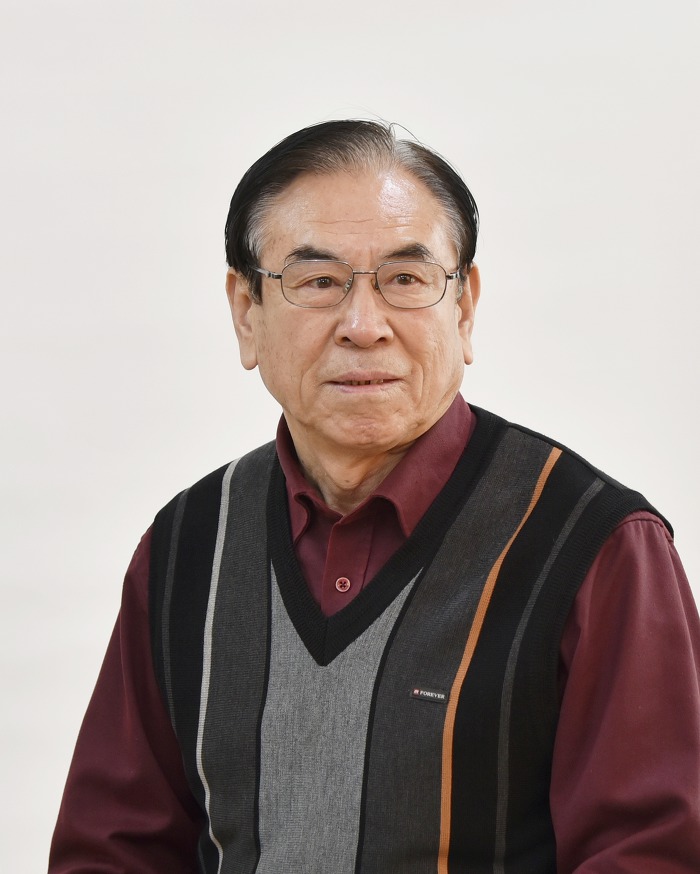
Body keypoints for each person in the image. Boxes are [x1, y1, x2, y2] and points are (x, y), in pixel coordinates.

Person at [49, 120, 700, 873]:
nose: (364, 326)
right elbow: (112, 852)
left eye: (406, 280)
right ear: (246, 312)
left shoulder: (593, 544)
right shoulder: (187, 548)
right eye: (318, 282)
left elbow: (655, 855)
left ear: (464, 309)